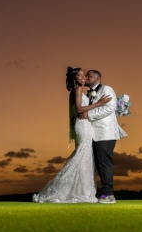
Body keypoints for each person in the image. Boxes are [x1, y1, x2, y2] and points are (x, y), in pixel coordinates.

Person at [33, 66, 113, 203]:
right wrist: (99, 103)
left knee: (85, 157)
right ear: (74, 79)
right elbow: (78, 108)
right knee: (82, 156)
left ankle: (82, 191)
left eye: (85, 76)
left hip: (86, 125)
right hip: (83, 126)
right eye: (80, 76)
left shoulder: (81, 91)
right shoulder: (77, 89)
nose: (84, 78)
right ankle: (80, 192)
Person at [85, 69, 128, 204]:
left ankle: (109, 195)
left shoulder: (106, 89)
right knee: (99, 164)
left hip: (105, 132)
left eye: (89, 76)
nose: (86, 77)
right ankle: (103, 193)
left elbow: (110, 107)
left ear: (97, 78)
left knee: (104, 163)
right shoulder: (90, 93)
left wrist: (89, 115)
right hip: (94, 133)